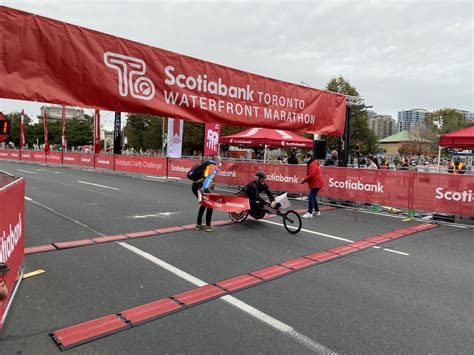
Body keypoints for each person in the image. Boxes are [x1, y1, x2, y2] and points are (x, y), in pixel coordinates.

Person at [191, 155, 221, 231]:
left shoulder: (207, 164)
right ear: (216, 161)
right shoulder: (213, 166)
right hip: (200, 187)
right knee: (210, 204)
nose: (220, 162)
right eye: (220, 161)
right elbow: (208, 178)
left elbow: (206, 176)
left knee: (204, 204)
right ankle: (208, 225)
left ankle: (199, 224)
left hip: (195, 186)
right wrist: (204, 188)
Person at [301, 152, 324, 218]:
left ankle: (310, 212)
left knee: (311, 196)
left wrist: (304, 180)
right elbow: (311, 175)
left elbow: (311, 175)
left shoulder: (312, 164)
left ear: (309, 157)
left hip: (316, 183)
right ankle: (317, 211)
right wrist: (305, 180)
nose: (305, 159)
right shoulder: (312, 163)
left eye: (305, 158)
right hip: (316, 182)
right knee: (313, 196)